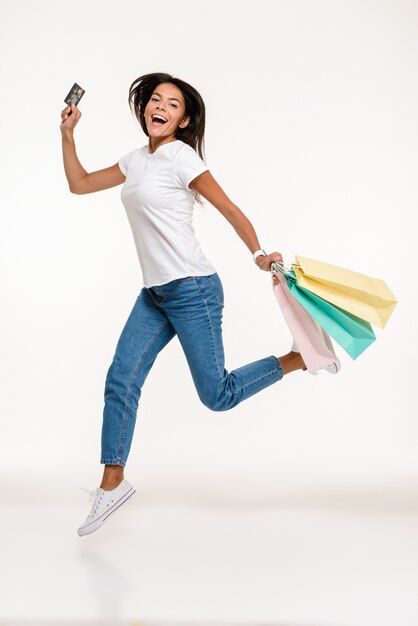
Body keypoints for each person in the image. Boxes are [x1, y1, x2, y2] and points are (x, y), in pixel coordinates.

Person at [60, 72, 339, 537]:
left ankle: (298, 356)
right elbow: (80, 183)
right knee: (120, 379)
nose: (161, 107)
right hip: (155, 294)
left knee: (218, 396)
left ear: (183, 119)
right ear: (144, 109)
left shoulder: (180, 157)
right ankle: (113, 484)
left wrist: (258, 253)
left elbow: (229, 208)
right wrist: (68, 135)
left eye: (172, 104)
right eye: (155, 100)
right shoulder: (135, 160)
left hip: (193, 290)